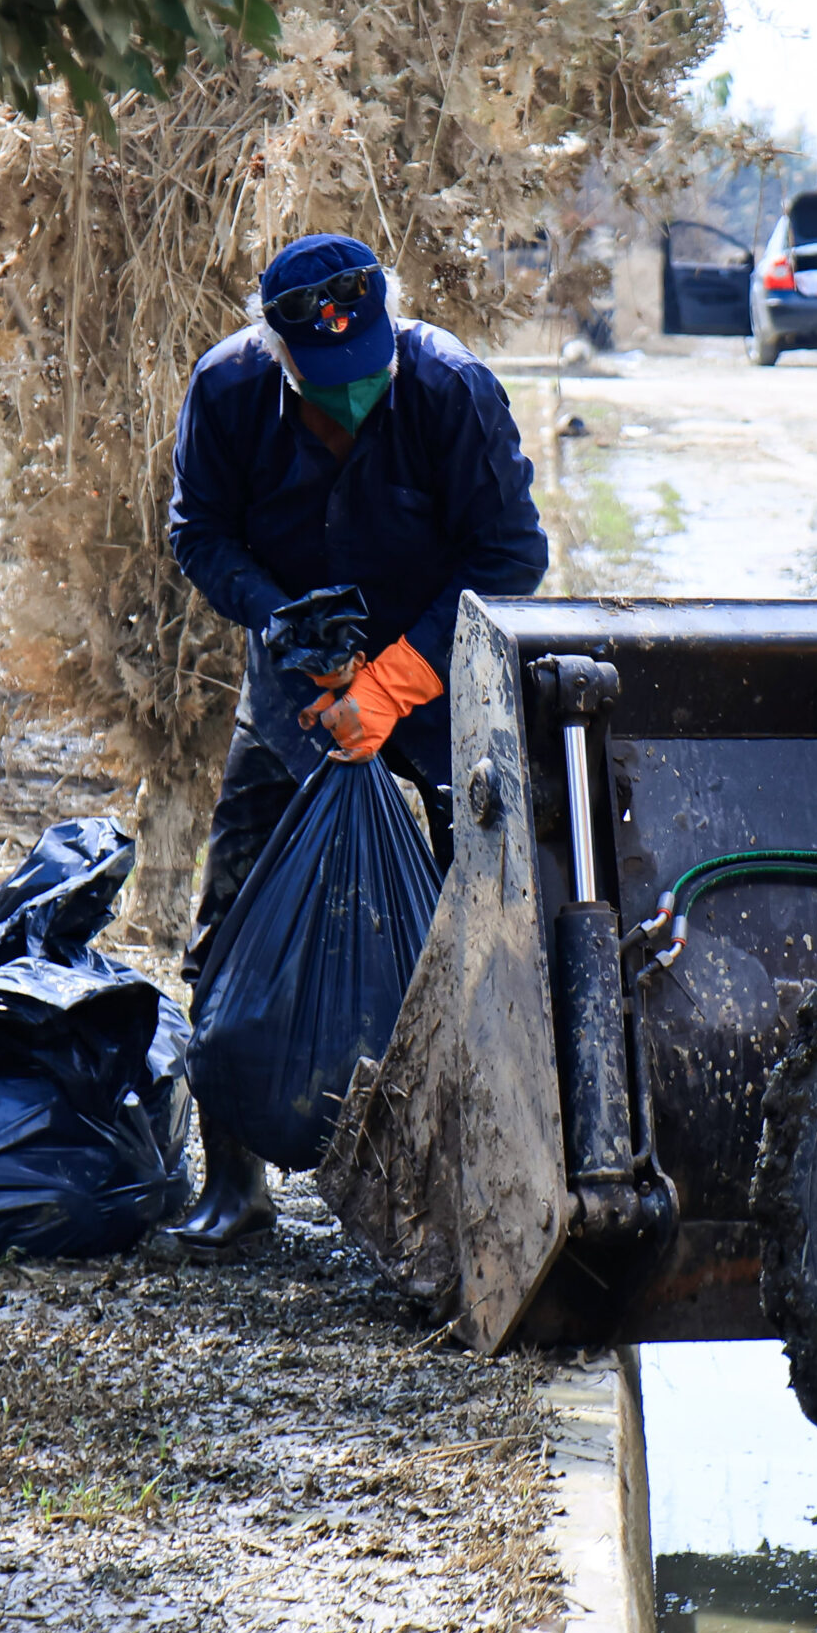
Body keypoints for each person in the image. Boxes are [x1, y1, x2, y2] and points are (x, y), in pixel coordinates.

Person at [164, 233, 549, 1250]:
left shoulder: (448, 390)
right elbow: (198, 530)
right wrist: (278, 619)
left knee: (453, 938)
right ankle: (232, 1186)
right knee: (231, 919)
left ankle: (435, 1193)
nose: (350, 394)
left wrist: (390, 681)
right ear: (276, 353)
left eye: (364, 368)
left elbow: (511, 554)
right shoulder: (229, 391)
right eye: (321, 379)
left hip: (430, 706)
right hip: (291, 699)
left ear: (391, 324)